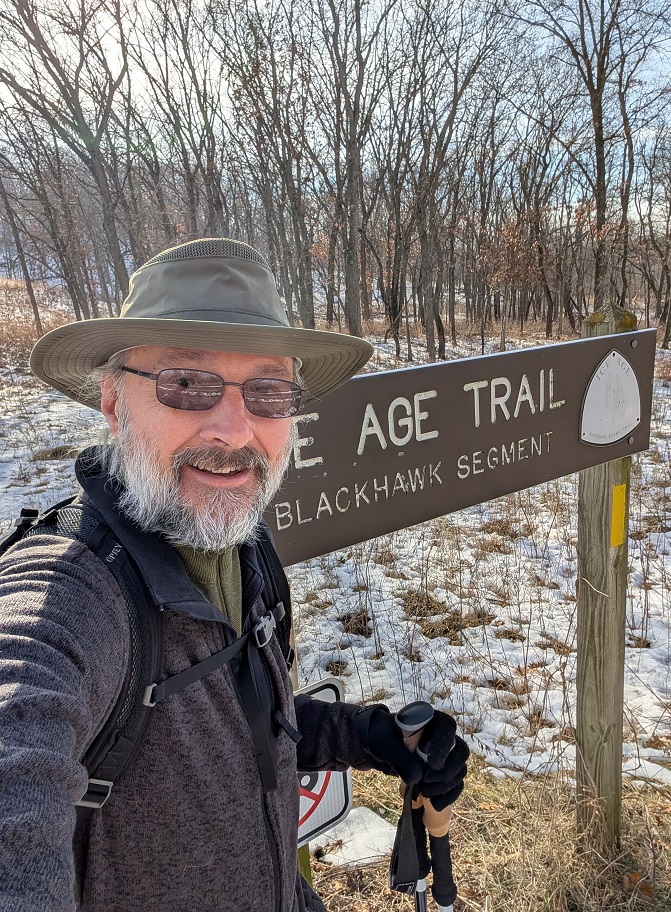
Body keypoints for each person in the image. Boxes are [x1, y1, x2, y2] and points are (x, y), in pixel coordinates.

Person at [0, 238, 469, 912]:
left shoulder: (237, 543)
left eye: (268, 390)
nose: (232, 429)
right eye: (186, 383)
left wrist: (367, 738)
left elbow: (233, 728)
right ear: (112, 402)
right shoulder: (69, 590)